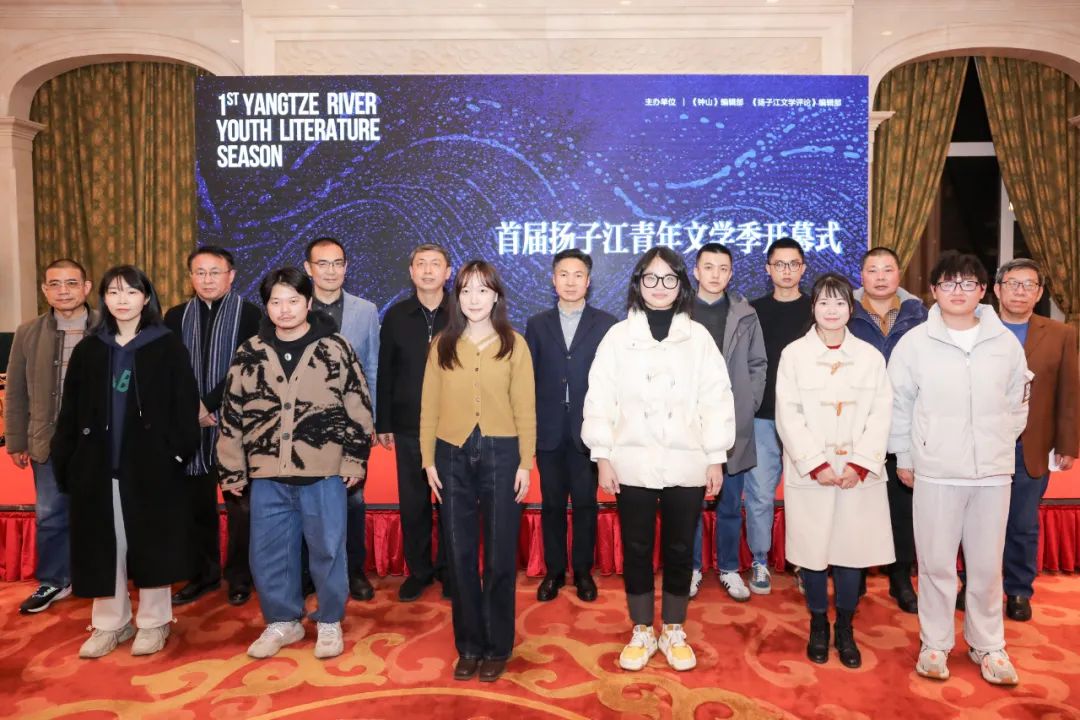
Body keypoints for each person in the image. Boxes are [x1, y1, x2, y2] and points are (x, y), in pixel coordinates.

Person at [582, 246, 736, 673]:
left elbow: (717, 399)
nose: (660, 286)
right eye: (650, 278)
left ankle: (672, 627)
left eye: (669, 278)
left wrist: (715, 457)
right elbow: (599, 398)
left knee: (680, 546)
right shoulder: (618, 337)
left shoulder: (698, 339)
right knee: (636, 546)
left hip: (687, 460)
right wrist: (602, 455)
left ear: (681, 284)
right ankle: (641, 629)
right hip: (631, 461)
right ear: (638, 284)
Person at [217, 267, 374, 660]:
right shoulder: (250, 351)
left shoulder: (335, 347)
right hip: (267, 473)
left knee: (328, 550)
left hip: (323, 473)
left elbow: (358, 404)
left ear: (308, 302)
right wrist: (232, 468)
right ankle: (283, 621)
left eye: (292, 300)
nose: (284, 309)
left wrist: (354, 459)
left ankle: (329, 620)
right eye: (276, 301)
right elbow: (232, 412)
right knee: (268, 552)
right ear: (266, 306)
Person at [889, 251, 1030, 686]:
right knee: (935, 564)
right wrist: (906, 455)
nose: (958, 291)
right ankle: (934, 643)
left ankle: (988, 644)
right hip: (936, 470)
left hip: (992, 472)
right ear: (933, 290)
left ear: (983, 291)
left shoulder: (1003, 341)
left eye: (968, 283)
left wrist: (999, 441)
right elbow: (899, 404)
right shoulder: (915, 342)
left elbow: (1018, 400)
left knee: (986, 566)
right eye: (948, 283)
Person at [51, 265, 200, 658]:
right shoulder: (90, 350)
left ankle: (154, 621)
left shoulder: (166, 346)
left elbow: (185, 407)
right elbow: (70, 412)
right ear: (103, 298)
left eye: (131, 292)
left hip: (151, 467)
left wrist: (176, 453)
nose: (122, 300)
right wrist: (68, 460)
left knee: (152, 541)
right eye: (114, 292)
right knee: (105, 544)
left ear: (146, 298)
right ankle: (110, 623)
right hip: (99, 468)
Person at [420, 260, 535, 682]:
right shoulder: (442, 344)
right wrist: (427, 460)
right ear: (457, 297)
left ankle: (498, 646)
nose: (474, 299)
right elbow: (429, 406)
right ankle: (469, 646)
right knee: (460, 555)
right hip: (450, 454)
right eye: (466, 290)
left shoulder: (514, 344)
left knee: (501, 556)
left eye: (483, 290)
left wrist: (526, 462)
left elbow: (525, 408)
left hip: (502, 454)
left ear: (496, 297)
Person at [775, 273, 895, 669]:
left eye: (840, 302)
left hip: (857, 475)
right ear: (813, 308)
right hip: (812, 474)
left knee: (851, 550)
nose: (832, 310)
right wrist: (816, 464)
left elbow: (881, 413)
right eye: (824, 302)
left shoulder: (870, 357)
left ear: (851, 308)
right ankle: (817, 623)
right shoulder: (794, 354)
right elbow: (788, 415)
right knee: (812, 552)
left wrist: (859, 463)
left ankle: (844, 626)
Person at [164, 246, 262, 608]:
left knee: (241, 508)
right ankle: (202, 574)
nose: (207, 279)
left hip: (238, 423)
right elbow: (170, 370)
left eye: (215, 272)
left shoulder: (251, 315)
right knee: (196, 506)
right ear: (191, 277)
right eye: (200, 272)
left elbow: (248, 367)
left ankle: (240, 576)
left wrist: (209, 404)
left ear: (231, 275)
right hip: (191, 426)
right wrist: (194, 408)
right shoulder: (175, 317)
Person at [6, 259, 97, 615]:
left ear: (86, 288)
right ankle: (55, 580)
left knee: (100, 513)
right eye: (55, 284)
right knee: (50, 514)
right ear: (45, 290)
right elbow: (16, 391)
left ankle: (99, 576)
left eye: (71, 283)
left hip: (98, 443)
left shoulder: (106, 328)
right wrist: (17, 440)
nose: (63, 291)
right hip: (47, 441)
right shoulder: (28, 332)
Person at [526, 249, 617, 603]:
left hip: (587, 431)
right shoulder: (537, 324)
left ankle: (582, 572)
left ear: (588, 281)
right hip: (548, 430)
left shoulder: (606, 324)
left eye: (578, 275)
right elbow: (529, 380)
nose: (570, 281)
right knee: (551, 505)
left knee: (584, 505)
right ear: (553, 280)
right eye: (563, 274)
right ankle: (554, 572)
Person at [992, 258, 1078, 622]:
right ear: (997, 289)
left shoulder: (1060, 334)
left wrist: (1068, 445)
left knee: (1023, 525)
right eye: (1013, 283)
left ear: (1040, 293)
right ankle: (975, 586)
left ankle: (1018, 591)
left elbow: (1069, 393)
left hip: (1031, 446)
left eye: (1029, 285)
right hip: (982, 446)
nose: (1020, 291)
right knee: (979, 525)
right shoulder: (977, 328)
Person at [847, 246, 927, 614]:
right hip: (855, 424)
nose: (880, 277)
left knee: (902, 506)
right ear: (861, 276)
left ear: (899, 274)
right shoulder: (845, 312)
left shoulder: (920, 315)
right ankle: (856, 574)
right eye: (873, 270)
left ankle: (900, 577)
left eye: (888, 269)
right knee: (858, 503)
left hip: (904, 422)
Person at [687, 243, 767, 602]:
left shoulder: (744, 313)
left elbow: (757, 363)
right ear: (696, 271)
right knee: (689, 503)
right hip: (688, 423)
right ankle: (691, 568)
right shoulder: (679, 312)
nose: (715, 274)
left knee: (731, 503)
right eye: (708, 267)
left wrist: (748, 404)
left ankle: (729, 567)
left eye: (722, 268)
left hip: (732, 422)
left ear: (731, 274)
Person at [303, 237, 380, 602]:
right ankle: (308, 573)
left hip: (351, 422)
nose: (330, 271)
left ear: (346, 268)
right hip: (305, 424)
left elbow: (373, 366)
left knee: (353, 499)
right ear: (309, 268)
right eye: (323, 264)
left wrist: (371, 418)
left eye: (337, 263)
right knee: (306, 500)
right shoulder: (294, 307)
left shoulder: (366, 310)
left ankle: (354, 571)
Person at [376, 243, 453, 602]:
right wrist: (384, 421)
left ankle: (451, 570)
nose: (427, 270)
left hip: (453, 425)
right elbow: (385, 371)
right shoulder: (396, 315)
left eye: (435, 264)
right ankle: (419, 571)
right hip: (408, 424)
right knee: (413, 503)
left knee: (452, 501)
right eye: (421, 264)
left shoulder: (462, 312)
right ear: (411, 272)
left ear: (447, 273)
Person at [746, 237, 812, 593]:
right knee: (760, 493)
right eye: (779, 264)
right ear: (768, 269)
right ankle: (760, 560)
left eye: (793, 264)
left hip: (807, 419)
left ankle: (806, 562)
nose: (786, 271)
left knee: (805, 492)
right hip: (763, 416)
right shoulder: (752, 311)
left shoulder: (818, 309)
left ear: (803, 268)